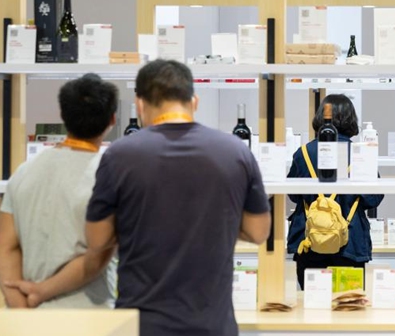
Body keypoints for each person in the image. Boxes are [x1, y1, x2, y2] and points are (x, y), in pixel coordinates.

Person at [40, 60, 268, 336]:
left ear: (140, 104)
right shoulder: (235, 152)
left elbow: (97, 240)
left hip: (142, 325)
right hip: (213, 325)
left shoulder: (119, 155)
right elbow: (258, 231)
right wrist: (217, 221)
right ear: (193, 102)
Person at [0, 73, 118, 309]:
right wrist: (41, 292)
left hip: (32, 315)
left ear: (63, 116)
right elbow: (99, 254)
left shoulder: (24, 172)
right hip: (91, 314)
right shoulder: (108, 176)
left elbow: (6, 248)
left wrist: (22, 309)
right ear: (112, 121)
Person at [286, 94, 384, 289]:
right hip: (350, 245)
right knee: (347, 308)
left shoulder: (304, 153)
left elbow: (294, 195)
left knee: (313, 309)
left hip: (310, 243)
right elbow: (373, 199)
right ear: (351, 119)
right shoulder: (360, 154)